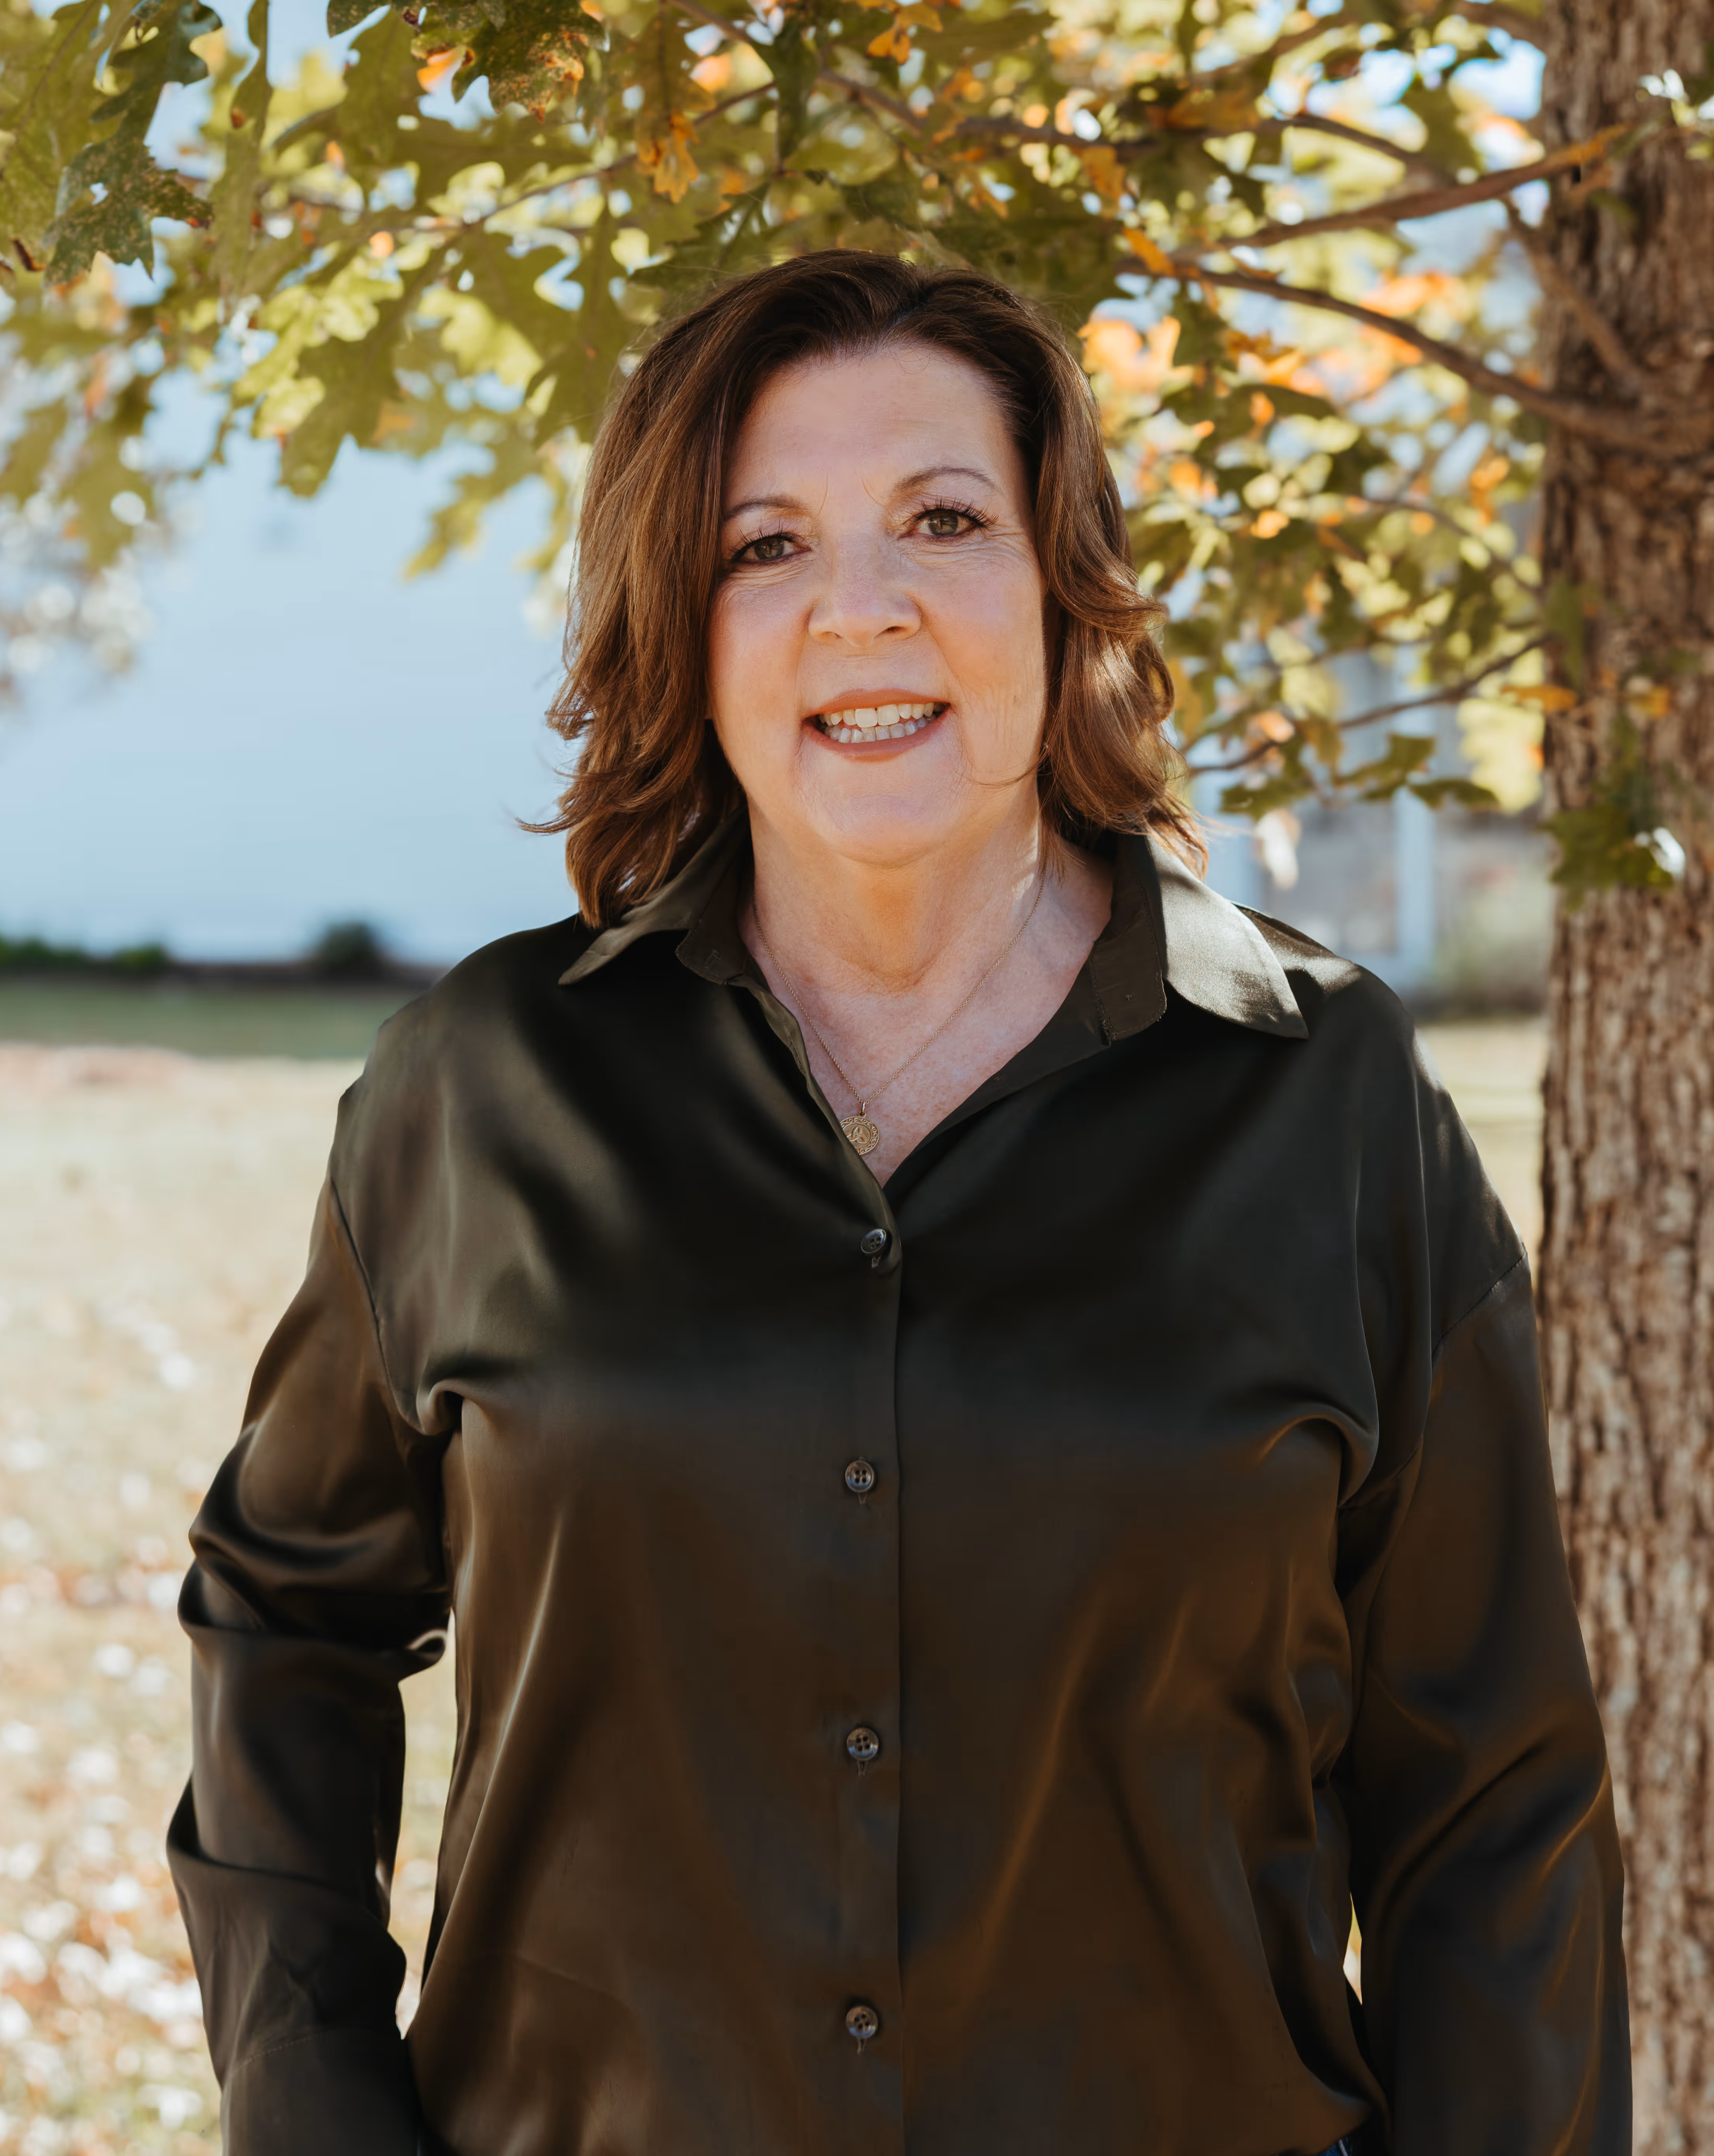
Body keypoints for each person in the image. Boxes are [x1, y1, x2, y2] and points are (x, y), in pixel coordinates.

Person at [169, 250, 1628, 2156]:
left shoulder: (1325, 1095)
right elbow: (286, 1619)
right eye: (762, 544)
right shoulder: (483, 1087)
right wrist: (321, 2116)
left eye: (942, 518)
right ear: (678, 621)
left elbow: (1492, 1793)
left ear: (1058, 583)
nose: (859, 607)